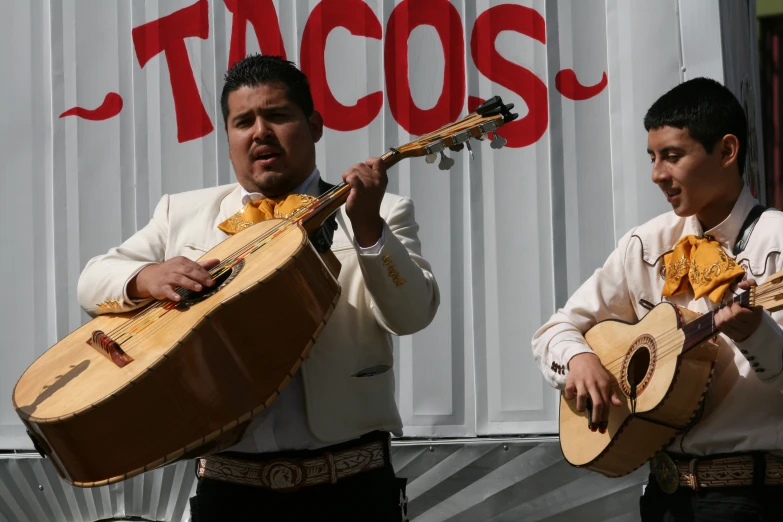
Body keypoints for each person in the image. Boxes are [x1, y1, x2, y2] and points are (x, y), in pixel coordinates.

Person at [77, 54, 439, 521]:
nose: (260, 132)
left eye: (277, 115)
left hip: (349, 486)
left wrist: (367, 227)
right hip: (229, 490)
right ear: (228, 139)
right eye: (243, 121)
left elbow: (411, 315)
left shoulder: (380, 210)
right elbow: (92, 280)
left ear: (314, 125)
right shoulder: (181, 213)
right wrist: (147, 276)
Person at [532, 77, 783, 521]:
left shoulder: (776, 241)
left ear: (727, 151)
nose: (657, 175)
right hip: (662, 500)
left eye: (672, 156)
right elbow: (555, 330)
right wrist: (579, 361)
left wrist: (756, 333)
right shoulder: (646, 245)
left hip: (755, 497)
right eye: (652, 157)